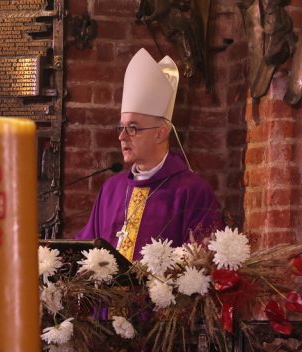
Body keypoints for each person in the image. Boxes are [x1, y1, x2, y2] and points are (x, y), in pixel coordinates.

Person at [77, 48, 223, 260]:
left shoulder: (192, 191)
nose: (122, 137)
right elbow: (85, 250)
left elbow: (202, 261)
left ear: (160, 133)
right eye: (121, 127)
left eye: (133, 128)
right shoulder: (111, 189)